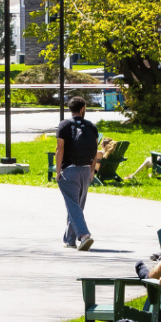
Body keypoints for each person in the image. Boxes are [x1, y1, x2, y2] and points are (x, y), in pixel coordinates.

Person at [55, 97, 99, 250]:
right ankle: (69, 240)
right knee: (77, 206)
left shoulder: (64, 125)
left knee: (73, 205)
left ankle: (84, 235)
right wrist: (92, 171)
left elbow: (59, 149)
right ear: (83, 109)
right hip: (86, 170)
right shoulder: (92, 127)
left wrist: (58, 171)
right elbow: (95, 150)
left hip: (70, 170)